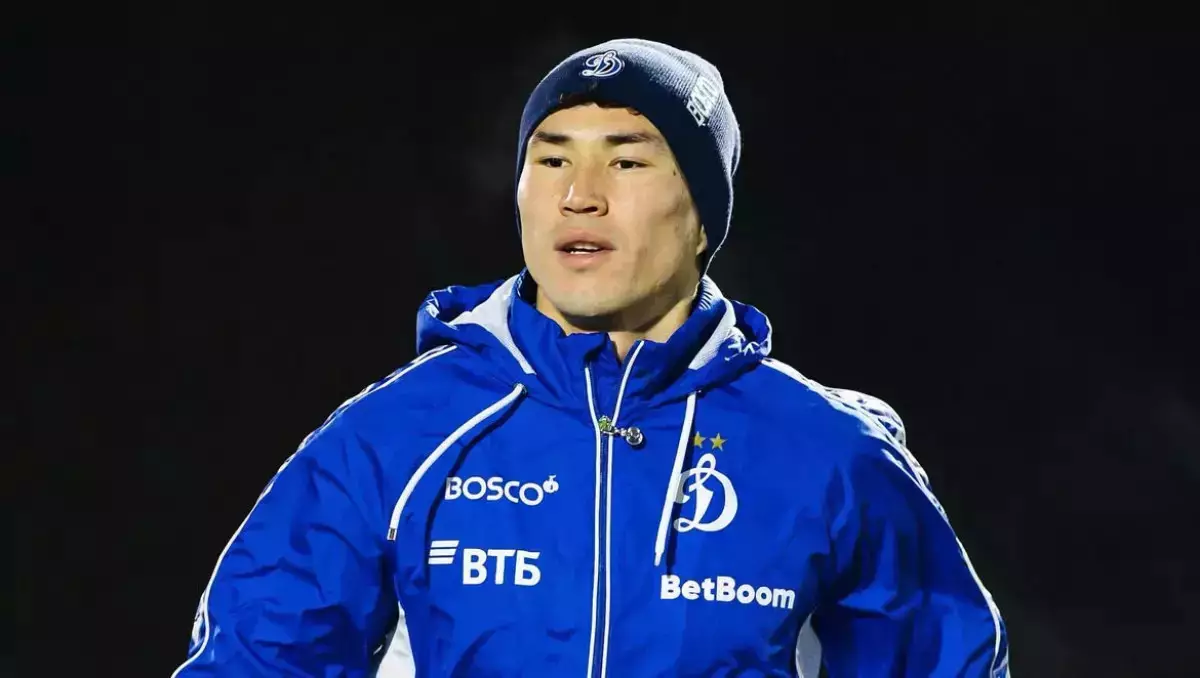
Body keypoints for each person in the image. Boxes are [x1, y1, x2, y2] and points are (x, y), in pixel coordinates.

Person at [173, 38, 1010, 677]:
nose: (579, 195)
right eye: (551, 159)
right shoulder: (394, 435)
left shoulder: (828, 453)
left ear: (702, 217)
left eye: (627, 160)